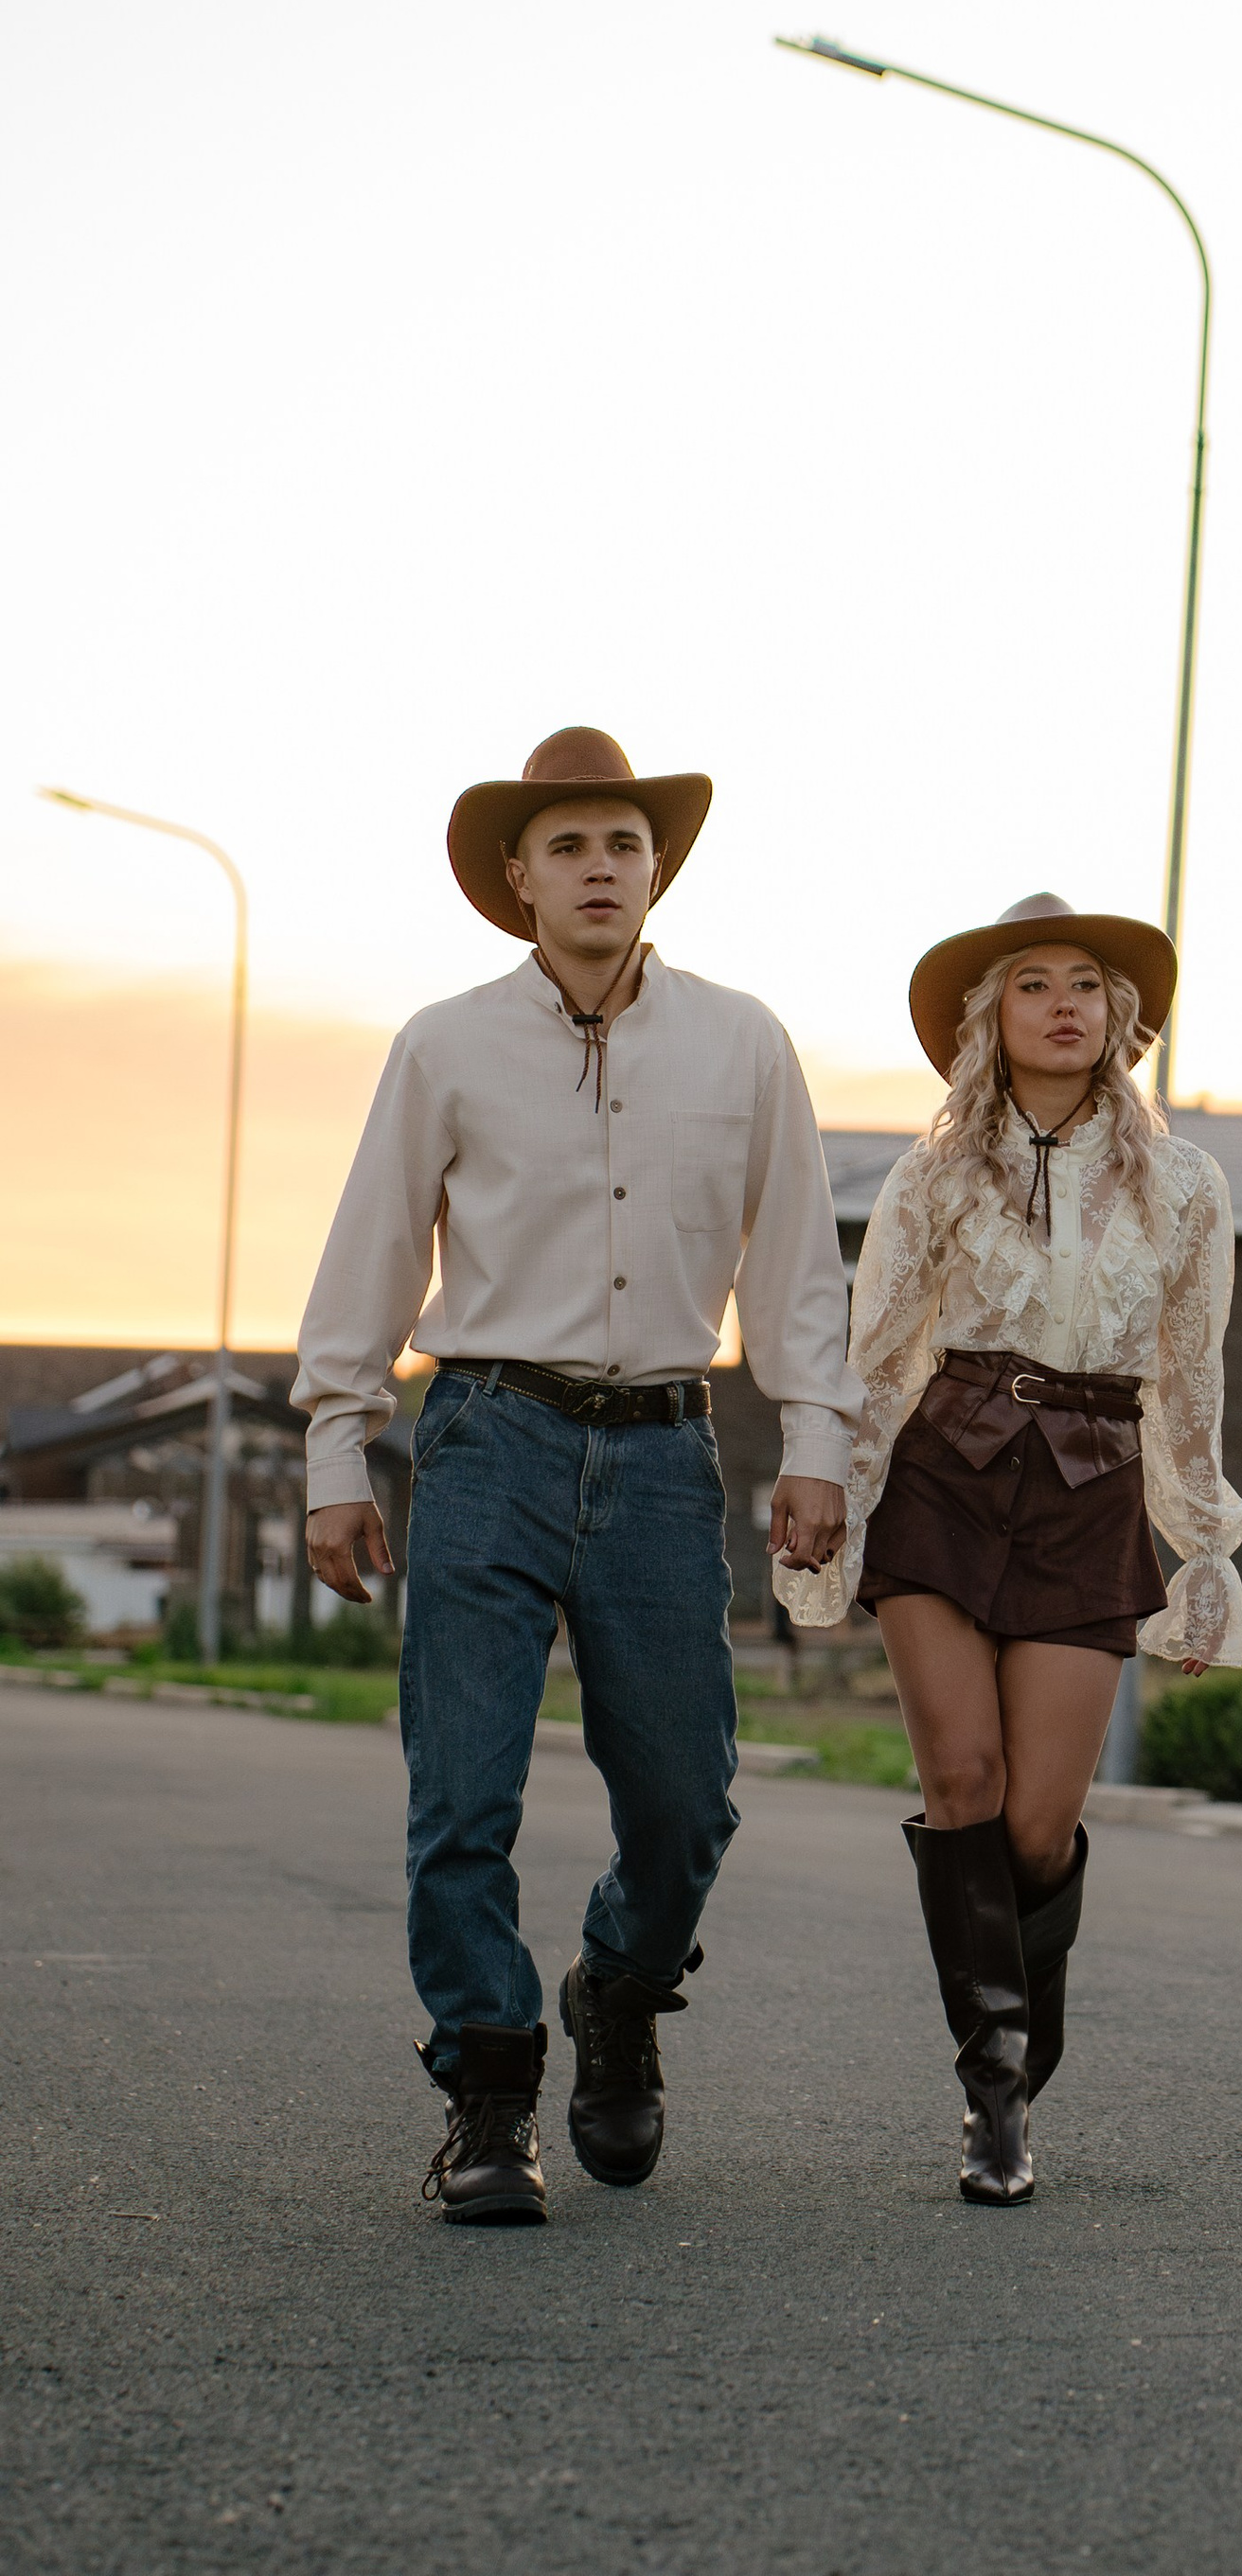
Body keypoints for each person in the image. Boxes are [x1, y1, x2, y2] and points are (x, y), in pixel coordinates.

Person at [293, 728, 855, 2225]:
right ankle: (488, 2095)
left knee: (684, 1802)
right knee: (461, 1791)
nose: (598, 868)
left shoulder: (744, 1042)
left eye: (622, 844)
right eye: (567, 847)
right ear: (516, 879)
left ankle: (620, 1981)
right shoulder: (446, 1044)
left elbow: (799, 1263)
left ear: (655, 870)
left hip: (670, 1449)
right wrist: (334, 1445)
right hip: (486, 1436)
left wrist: (816, 1436)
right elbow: (370, 1251)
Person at [777, 891, 1242, 2207]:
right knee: (968, 1780)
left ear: (1120, 1018)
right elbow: (879, 1351)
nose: (1063, 1004)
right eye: (1033, 982)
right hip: (948, 1473)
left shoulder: (1191, 1185)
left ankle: (1020, 2037)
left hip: (1094, 1487)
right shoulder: (935, 1173)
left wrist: (1201, 1550)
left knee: (1041, 1825)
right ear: (992, 1017)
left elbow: (1190, 1373)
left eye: (1087, 983)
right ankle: (992, 2095)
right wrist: (831, 1483)